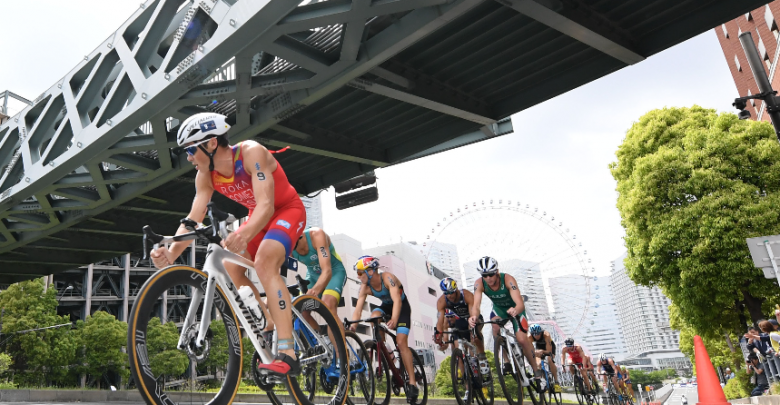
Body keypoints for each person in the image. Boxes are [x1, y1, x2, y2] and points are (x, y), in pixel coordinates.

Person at [150, 112, 306, 376]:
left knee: (266, 261)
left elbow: (267, 205)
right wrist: (171, 253)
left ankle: (288, 353)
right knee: (231, 267)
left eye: (190, 150)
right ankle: (268, 323)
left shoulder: (251, 153)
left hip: (285, 210)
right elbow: (192, 220)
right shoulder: (205, 176)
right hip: (259, 217)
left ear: (211, 143)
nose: (188, 158)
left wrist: (243, 234)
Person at [349, 256, 419, 401]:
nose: (358, 276)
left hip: (401, 308)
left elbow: (397, 300)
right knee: (374, 315)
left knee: (401, 342)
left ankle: (412, 382)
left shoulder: (387, 278)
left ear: (370, 271)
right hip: (386, 307)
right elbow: (358, 309)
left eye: (360, 272)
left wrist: (394, 319)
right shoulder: (365, 287)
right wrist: (353, 325)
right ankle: (384, 348)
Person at [469, 256, 545, 389]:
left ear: (497, 271)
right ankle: (506, 360)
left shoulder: (508, 279)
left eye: (491, 274)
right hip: (499, 310)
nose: (488, 278)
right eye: (485, 275)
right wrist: (473, 316)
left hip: (516, 309)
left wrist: (515, 310)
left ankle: (537, 373)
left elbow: (520, 303)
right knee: (494, 326)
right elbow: (476, 305)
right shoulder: (479, 284)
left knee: (522, 339)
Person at [291, 227, 347, 377]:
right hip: (313, 274)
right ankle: (324, 342)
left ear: (299, 235)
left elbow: (327, 270)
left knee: (327, 304)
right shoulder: (289, 247)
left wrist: (315, 290)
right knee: (300, 311)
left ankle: (343, 357)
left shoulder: (317, 235)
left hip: (334, 272)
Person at [434, 277, 489, 379]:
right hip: (459, 321)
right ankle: (465, 379)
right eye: (446, 293)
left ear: (456, 290)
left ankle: (482, 358)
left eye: (452, 292)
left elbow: (473, 311)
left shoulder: (466, 295)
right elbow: (440, 321)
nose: (449, 295)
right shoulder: (442, 301)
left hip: (473, 317)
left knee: (474, 336)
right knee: (457, 346)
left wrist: (472, 320)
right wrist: (438, 334)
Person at [530, 324, 560, 393]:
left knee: (550, 360)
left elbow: (549, 351)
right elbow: (529, 349)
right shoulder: (529, 337)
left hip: (549, 346)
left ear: (541, 332)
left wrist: (543, 351)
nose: (536, 336)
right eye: (534, 334)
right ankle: (543, 381)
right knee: (538, 363)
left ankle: (556, 382)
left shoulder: (546, 334)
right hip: (539, 346)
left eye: (538, 334)